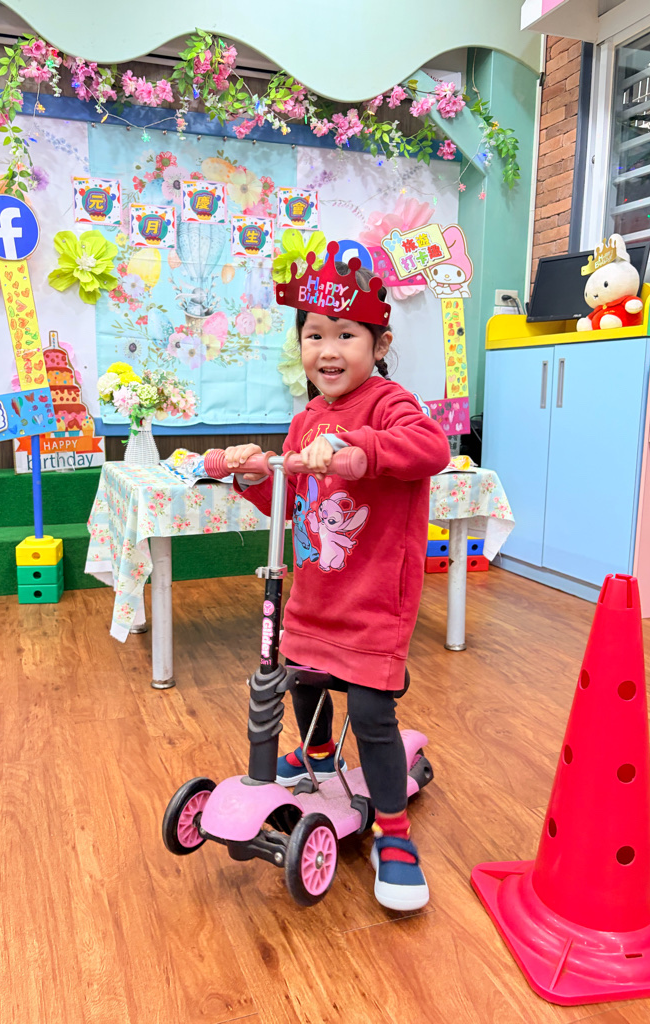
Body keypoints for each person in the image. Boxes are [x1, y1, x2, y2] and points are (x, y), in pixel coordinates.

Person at [225, 260, 450, 912]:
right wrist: (251, 475)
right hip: (315, 595)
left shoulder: (390, 403)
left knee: (374, 716)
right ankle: (319, 755)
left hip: (375, 599)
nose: (328, 349)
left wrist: (361, 449)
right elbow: (291, 501)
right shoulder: (304, 420)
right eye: (314, 335)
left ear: (379, 345)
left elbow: (429, 448)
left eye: (346, 334)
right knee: (302, 681)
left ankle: (395, 835)